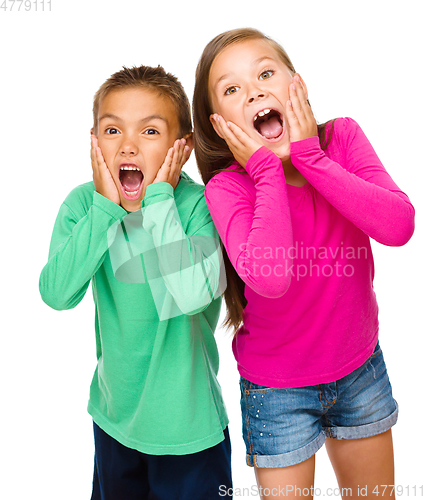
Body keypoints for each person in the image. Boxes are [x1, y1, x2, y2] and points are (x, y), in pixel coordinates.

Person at [192, 28, 415, 499]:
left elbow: (398, 226)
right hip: (277, 393)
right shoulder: (228, 190)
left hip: (360, 370)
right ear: (219, 125)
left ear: (299, 85)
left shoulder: (343, 138)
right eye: (232, 89)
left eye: (266, 73)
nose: (253, 91)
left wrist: (309, 156)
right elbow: (270, 279)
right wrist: (268, 170)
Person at [39, 65, 232, 500]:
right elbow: (56, 293)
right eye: (112, 131)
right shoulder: (84, 207)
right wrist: (105, 209)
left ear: (180, 148)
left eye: (149, 132)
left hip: (190, 431)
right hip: (114, 422)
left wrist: (161, 199)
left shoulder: (201, 205)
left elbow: (191, 293)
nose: (127, 145)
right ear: (93, 142)